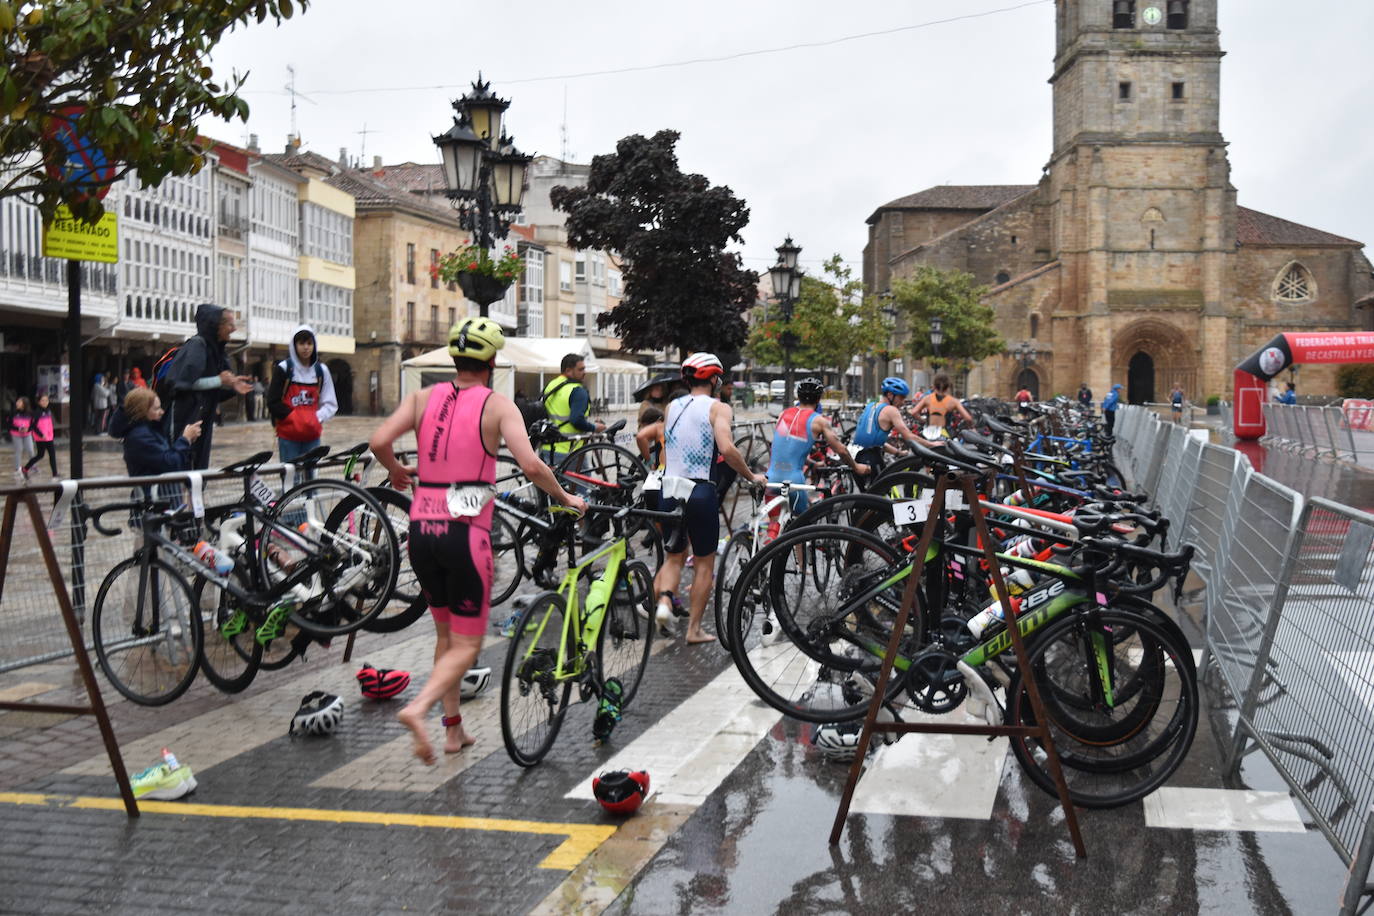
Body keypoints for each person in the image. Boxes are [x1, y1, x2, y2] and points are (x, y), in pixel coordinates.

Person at [369, 318, 586, 766]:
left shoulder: (421, 398)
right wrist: (566, 498)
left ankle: (454, 732)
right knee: (468, 645)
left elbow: (377, 441)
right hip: (465, 534)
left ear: (455, 358)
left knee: (445, 635)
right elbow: (530, 466)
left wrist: (394, 469)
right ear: (490, 361)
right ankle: (417, 708)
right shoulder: (498, 405)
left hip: (421, 530)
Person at [634, 353, 766, 645]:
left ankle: (666, 603)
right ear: (714, 379)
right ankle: (693, 630)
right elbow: (727, 449)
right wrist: (750, 475)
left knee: (673, 555)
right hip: (700, 490)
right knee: (704, 563)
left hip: (671, 487)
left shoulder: (671, 407)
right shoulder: (719, 408)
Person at [764, 377, 868, 538]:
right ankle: (800, 563)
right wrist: (856, 467)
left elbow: (785, 449)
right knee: (801, 529)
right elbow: (841, 450)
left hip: (771, 478)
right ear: (819, 399)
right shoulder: (818, 421)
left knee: (773, 524)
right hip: (793, 481)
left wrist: (812, 463)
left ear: (798, 397)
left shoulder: (783, 414)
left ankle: (762, 558)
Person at [164, 304, 252, 469]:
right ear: (216, 326)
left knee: (198, 468)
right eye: (230, 324)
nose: (233, 329)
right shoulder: (197, 346)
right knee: (182, 466)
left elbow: (214, 390)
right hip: (185, 418)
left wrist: (232, 385)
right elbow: (183, 384)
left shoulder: (216, 350)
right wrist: (218, 381)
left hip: (202, 418)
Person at [266, 326, 338, 467]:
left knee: (311, 475)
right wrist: (294, 417)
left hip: (312, 434)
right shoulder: (284, 369)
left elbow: (330, 403)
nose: (306, 348)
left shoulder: (321, 371)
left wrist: (315, 418)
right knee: (291, 476)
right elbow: (273, 401)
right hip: (288, 435)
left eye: (309, 343)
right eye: (301, 343)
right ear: (294, 345)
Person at [108, 388, 202, 476]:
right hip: (154, 492)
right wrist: (185, 439)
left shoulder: (149, 430)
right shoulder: (140, 436)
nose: (162, 412)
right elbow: (170, 463)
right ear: (142, 411)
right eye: (156, 409)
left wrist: (188, 441)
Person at [851, 377, 924, 480]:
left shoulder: (871, 406)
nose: (903, 402)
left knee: (869, 494)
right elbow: (909, 436)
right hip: (873, 462)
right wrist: (932, 445)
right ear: (890, 395)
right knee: (882, 493)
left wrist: (898, 453)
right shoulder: (891, 410)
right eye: (901, 397)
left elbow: (874, 442)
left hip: (858, 459)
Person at [540, 353, 603, 463]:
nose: (584, 372)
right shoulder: (578, 391)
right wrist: (594, 427)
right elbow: (576, 420)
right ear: (568, 371)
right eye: (581, 369)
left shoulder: (550, 386)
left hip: (546, 448)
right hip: (570, 451)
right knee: (584, 480)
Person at [913, 373, 974, 440]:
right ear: (948, 387)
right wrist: (971, 427)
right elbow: (968, 418)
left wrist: (923, 421)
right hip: (944, 434)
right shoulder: (953, 401)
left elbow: (914, 412)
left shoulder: (927, 398)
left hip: (928, 434)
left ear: (934, 386)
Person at [23, 393, 58, 480]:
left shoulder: (48, 411)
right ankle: (55, 474)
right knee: (42, 455)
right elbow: (33, 426)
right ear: (39, 402)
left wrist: (50, 433)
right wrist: (41, 434)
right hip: (41, 437)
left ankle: (25, 469)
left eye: (46, 400)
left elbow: (49, 423)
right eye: (43, 400)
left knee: (46, 455)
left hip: (49, 436)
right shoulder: (37, 412)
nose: (45, 402)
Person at [8, 396, 34, 482]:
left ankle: (31, 466)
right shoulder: (13, 412)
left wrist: (28, 429)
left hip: (27, 434)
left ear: (24, 404)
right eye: (17, 402)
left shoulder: (30, 413)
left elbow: (33, 424)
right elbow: (9, 425)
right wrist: (18, 429)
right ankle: (17, 469)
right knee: (19, 450)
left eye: (19, 402)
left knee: (30, 449)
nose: (17, 403)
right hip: (16, 434)